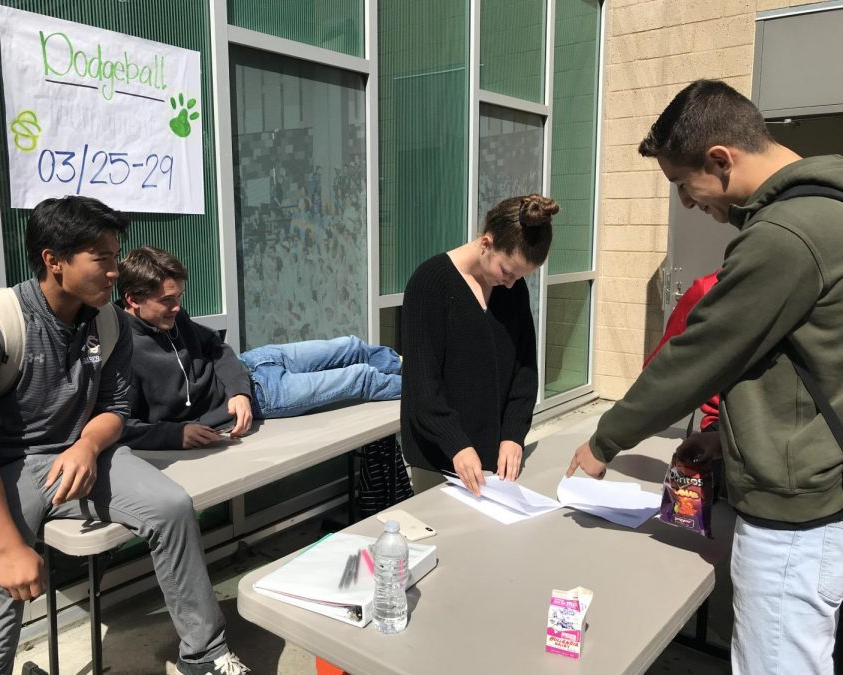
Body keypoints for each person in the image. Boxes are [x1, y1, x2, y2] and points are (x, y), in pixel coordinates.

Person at [566, 80, 843, 674]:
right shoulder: (828, 211)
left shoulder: (783, 238)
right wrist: (727, 439)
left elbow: (699, 355)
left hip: (795, 520)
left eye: (683, 187)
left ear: (720, 160)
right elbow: (809, 362)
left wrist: (602, 441)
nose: (689, 205)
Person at [0, 196, 250, 675]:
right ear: (54, 261)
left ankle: (204, 655)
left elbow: (116, 408)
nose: (114, 271)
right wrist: (9, 547)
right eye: (101, 257)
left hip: (80, 454)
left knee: (170, 508)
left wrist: (88, 444)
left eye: (115, 253)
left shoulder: (107, 321)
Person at [116, 245, 402, 450]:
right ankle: (435, 387)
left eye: (179, 296)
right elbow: (120, 426)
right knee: (359, 378)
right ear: (133, 299)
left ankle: (415, 367)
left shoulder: (173, 316)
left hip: (253, 363)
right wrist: (174, 435)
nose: (177, 307)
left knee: (351, 347)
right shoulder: (119, 353)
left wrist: (238, 390)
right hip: (265, 398)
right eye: (167, 300)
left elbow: (217, 347)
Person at [401, 194, 557, 496]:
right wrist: (457, 444)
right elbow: (422, 388)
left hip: (495, 462)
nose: (511, 283)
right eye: (507, 272)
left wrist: (513, 434)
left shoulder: (512, 290)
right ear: (486, 243)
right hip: (438, 460)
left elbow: (524, 370)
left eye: (522, 276)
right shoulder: (430, 284)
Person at [644, 271, 720, 432]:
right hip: (723, 430)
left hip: (725, 430)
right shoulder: (707, 288)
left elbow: (660, 362)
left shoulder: (708, 287)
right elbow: (663, 361)